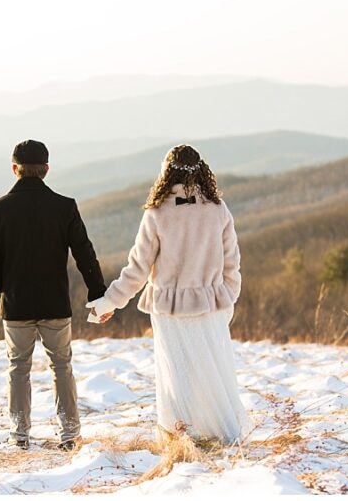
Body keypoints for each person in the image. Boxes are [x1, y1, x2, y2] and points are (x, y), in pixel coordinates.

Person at [86, 144, 249, 445]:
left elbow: (137, 269)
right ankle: (217, 435)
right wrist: (227, 298)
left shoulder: (157, 212)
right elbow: (232, 263)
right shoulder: (217, 209)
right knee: (212, 370)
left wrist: (108, 303)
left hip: (170, 309)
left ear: (166, 172)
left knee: (177, 375)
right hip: (211, 305)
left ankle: (181, 436)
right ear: (201, 171)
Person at [0, 139, 107, 451]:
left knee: (18, 368)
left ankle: (19, 434)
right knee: (61, 366)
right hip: (55, 303)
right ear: (46, 170)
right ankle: (70, 433)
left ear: (14, 169)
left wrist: (2, 287)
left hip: (16, 304)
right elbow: (84, 254)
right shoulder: (65, 207)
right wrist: (98, 293)